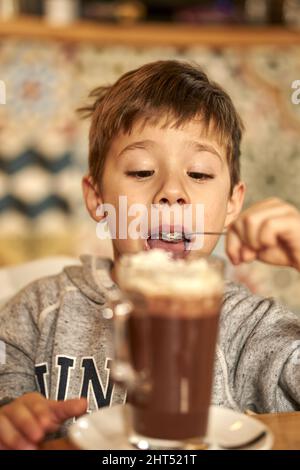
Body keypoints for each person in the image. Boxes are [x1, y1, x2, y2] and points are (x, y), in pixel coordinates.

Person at [0, 60, 299, 450]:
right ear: (97, 199)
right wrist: (12, 420)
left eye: (200, 174)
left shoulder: (253, 328)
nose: (172, 191)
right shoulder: (34, 313)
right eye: (141, 172)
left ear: (231, 203)